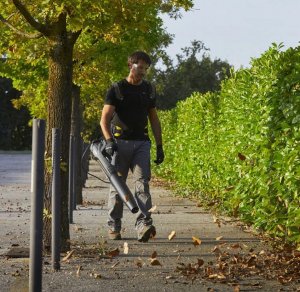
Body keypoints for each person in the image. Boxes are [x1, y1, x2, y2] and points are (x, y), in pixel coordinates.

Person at [100, 51, 164, 242]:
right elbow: (104, 119)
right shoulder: (117, 89)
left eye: (146, 68)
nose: (143, 72)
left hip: (142, 143)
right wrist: (109, 141)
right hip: (119, 144)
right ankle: (114, 226)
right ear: (130, 65)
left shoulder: (149, 89)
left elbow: (154, 119)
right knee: (118, 188)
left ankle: (144, 224)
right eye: (140, 67)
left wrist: (160, 146)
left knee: (142, 183)